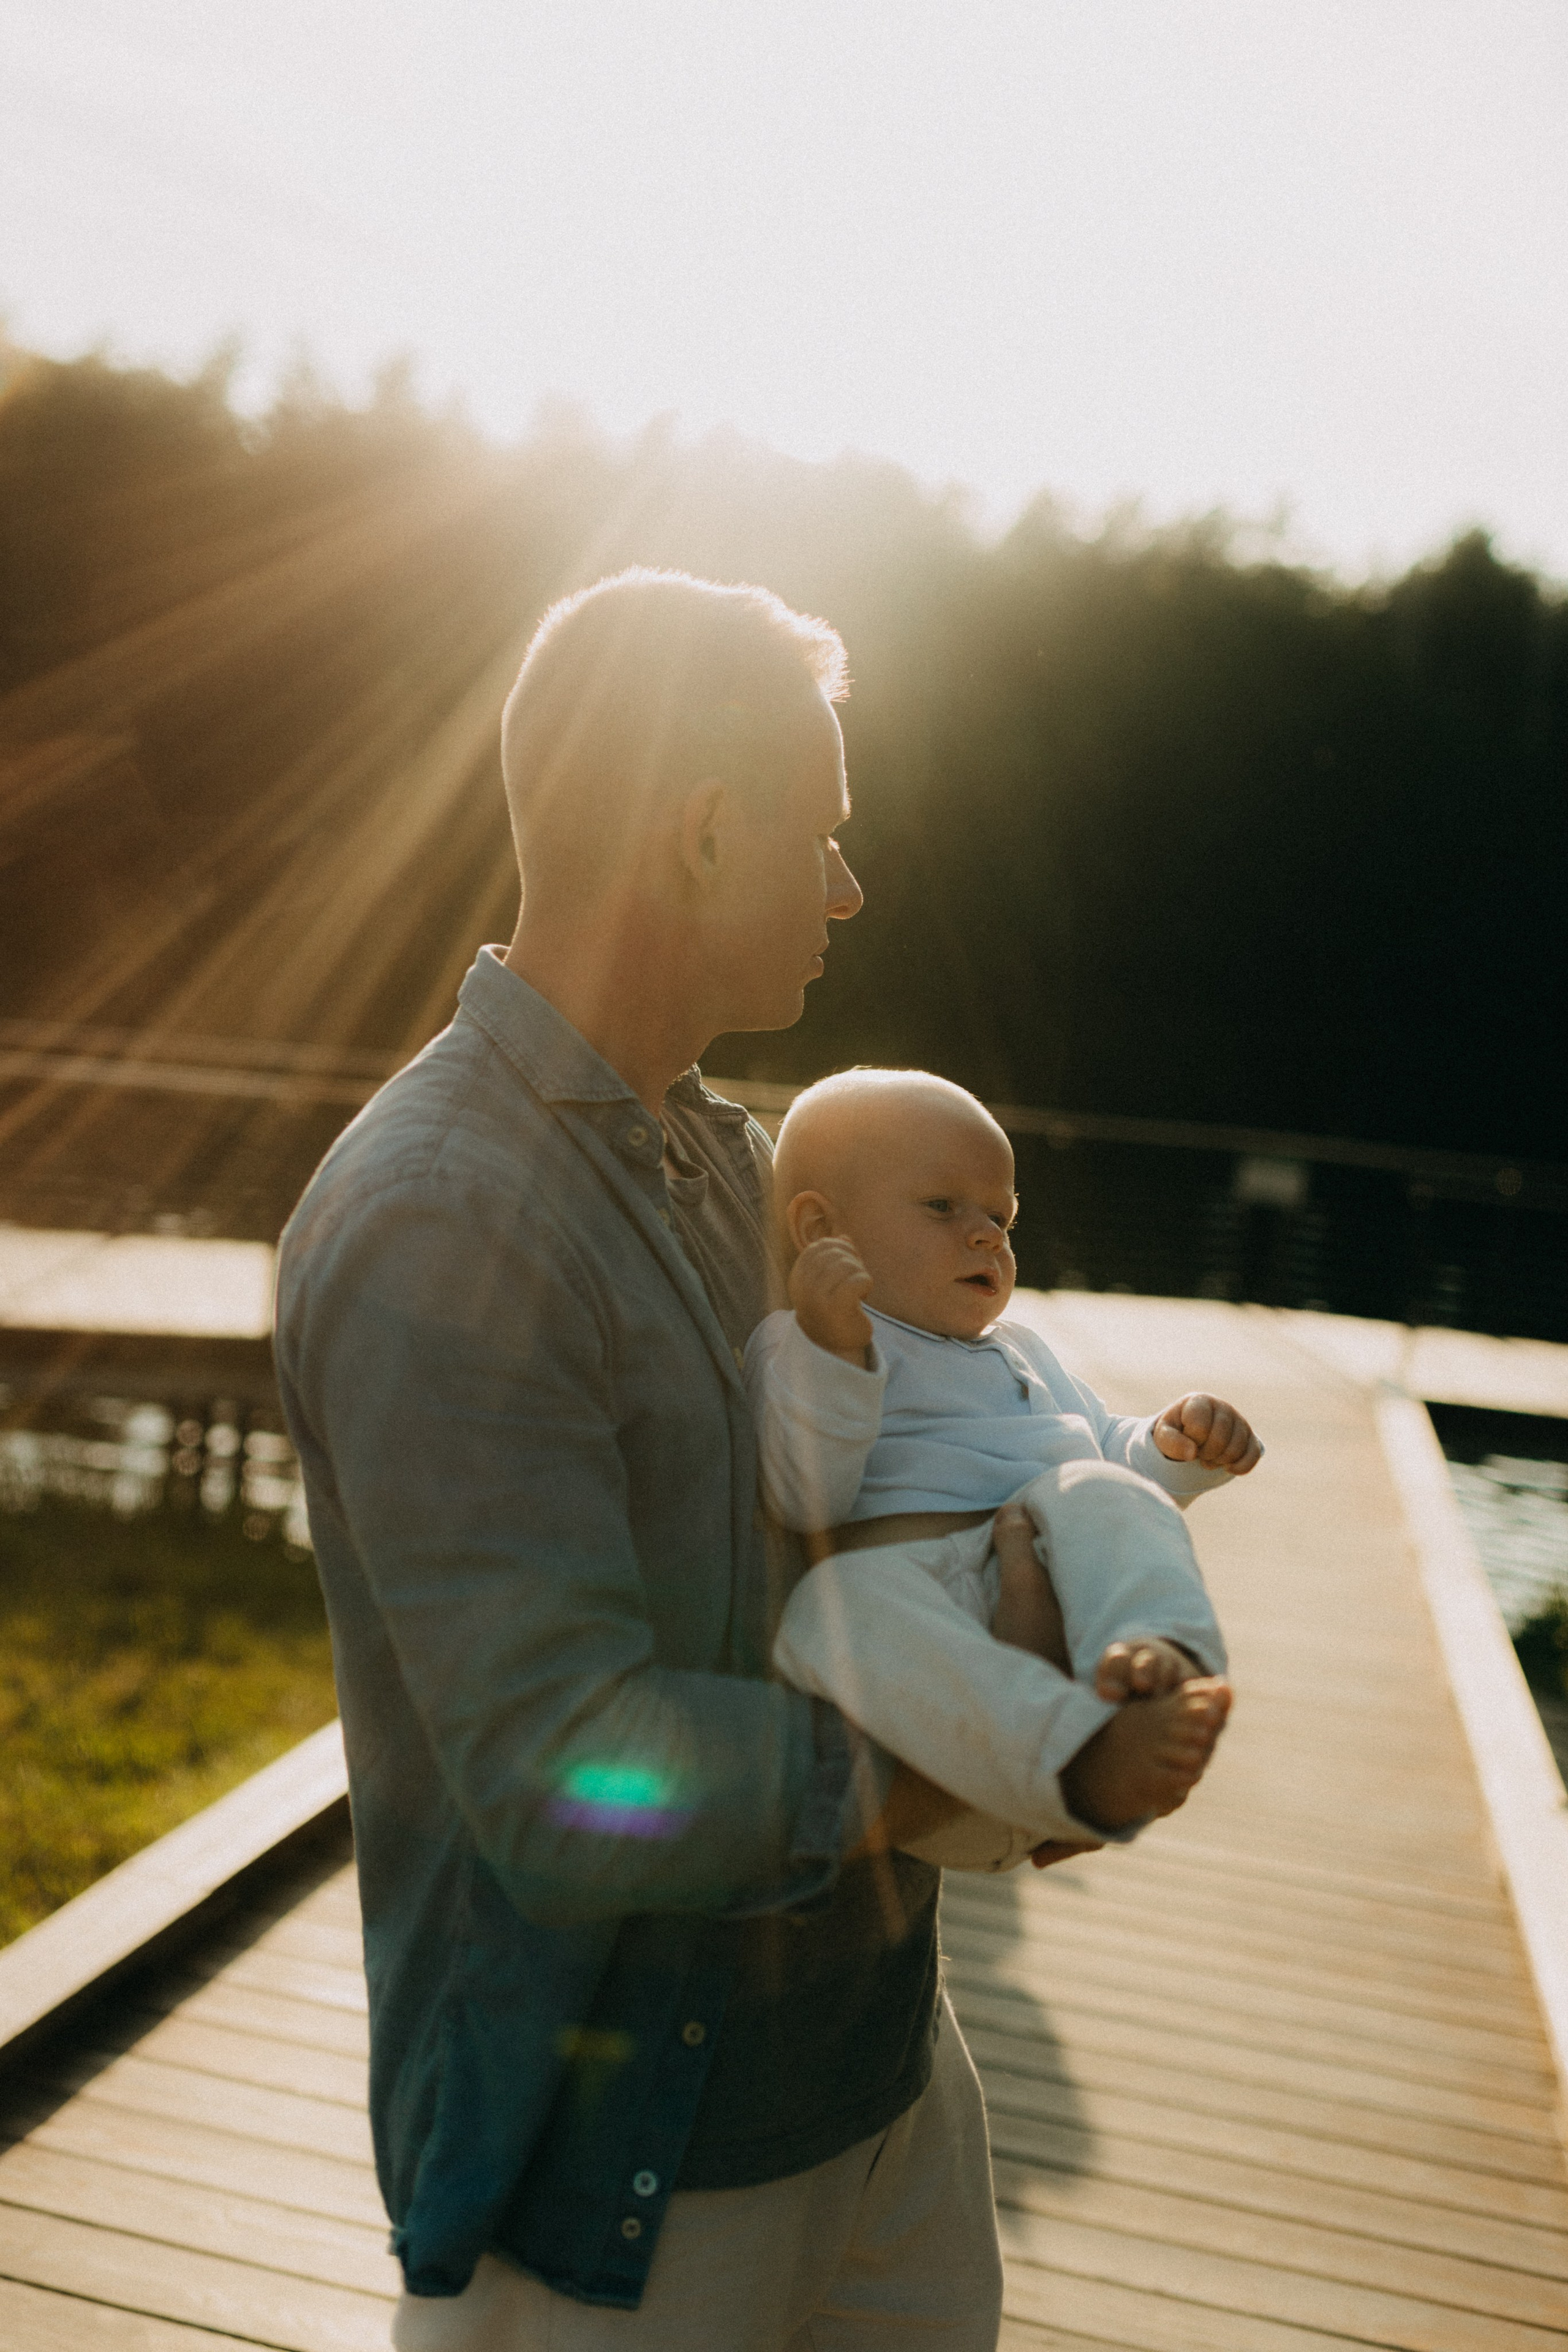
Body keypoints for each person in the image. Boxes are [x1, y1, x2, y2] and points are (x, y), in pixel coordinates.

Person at [273, 570, 1008, 2351]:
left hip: (879, 2079)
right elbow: (552, 1767)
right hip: (637, 2187)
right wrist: (974, 1771)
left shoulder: (723, 1156)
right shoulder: (446, 1216)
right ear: (697, 836)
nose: (849, 885)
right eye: (820, 836)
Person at [747, 1068, 1255, 1869]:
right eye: (943, 1207)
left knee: (1102, 1490)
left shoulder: (1022, 1353)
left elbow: (1105, 1448)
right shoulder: (804, 1343)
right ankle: (1074, 1760)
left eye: (1002, 1218)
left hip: (1049, 1577)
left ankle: (1155, 1660)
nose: (987, 1235)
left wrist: (1172, 1448)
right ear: (821, 1229)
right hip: (930, 1636)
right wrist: (836, 1352)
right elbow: (805, 1497)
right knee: (827, 1608)